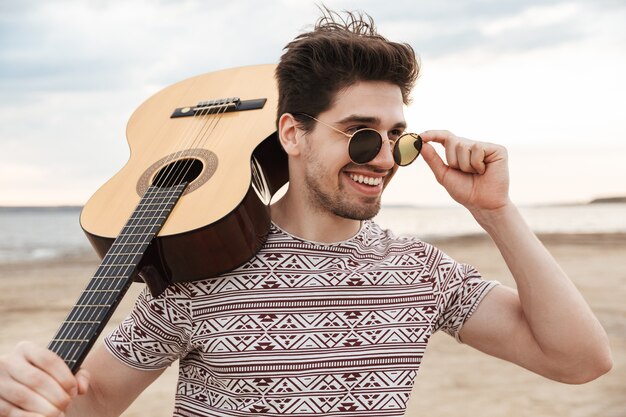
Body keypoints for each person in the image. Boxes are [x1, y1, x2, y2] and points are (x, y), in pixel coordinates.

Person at [0, 9, 612, 417]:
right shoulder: (202, 268)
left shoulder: (422, 271)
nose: (383, 158)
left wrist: (497, 212)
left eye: (398, 137)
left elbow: (580, 360)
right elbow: (90, 401)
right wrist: (25, 387)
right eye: (359, 133)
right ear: (292, 134)